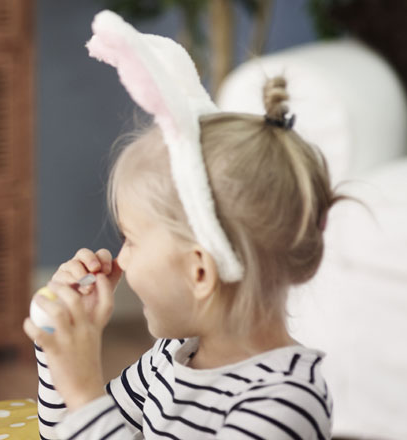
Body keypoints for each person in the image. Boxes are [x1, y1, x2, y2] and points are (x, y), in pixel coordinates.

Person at [25, 10, 339, 440]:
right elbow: (67, 434)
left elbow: (89, 420)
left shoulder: (283, 403)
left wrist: (83, 389)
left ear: (199, 271)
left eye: (130, 240)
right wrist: (57, 348)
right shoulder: (173, 356)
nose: (119, 259)